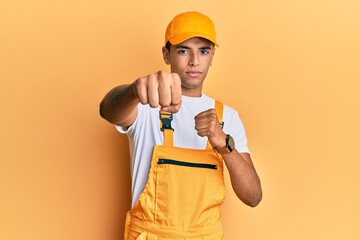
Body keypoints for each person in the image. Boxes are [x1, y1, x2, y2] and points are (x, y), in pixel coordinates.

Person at [100, 11, 262, 240]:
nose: (195, 61)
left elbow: (253, 197)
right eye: (184, 50)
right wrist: (135, 90)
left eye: (204, 51)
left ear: (212, 56)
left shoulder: (228, 117)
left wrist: (224, 143)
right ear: (167, 54)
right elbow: (107, 109)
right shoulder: (146, 105)